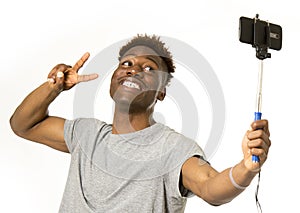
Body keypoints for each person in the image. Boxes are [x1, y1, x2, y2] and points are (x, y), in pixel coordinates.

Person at [10, 34, 271, 213]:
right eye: (127, 63)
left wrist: (246, 168)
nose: (133, 70)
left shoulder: (172, 148)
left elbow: (211, 187)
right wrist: (53, 87)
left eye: (148, 69)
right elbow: (23, 125)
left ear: (161, 92)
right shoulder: (86, 134)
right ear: (114, 78)